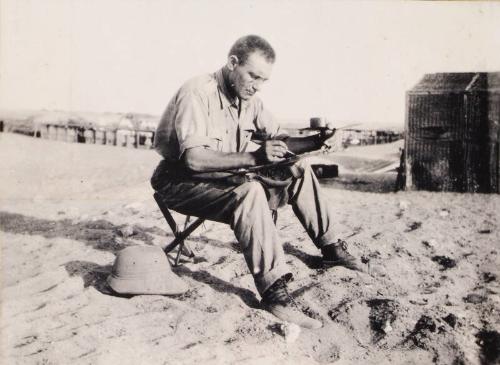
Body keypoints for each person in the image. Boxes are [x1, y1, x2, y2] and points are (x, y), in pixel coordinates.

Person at [151, 35, 364, 329]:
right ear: (232, 63)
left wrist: (317, 141)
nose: (257, 85)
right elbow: (194, 159)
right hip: (179, 182)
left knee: (298, 168)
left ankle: (332, 250)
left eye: (264, 79)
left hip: (225, 177)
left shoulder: (250, 100)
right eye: (253, 75)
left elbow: (282, 142)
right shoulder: (197, 93)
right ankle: (274, 291)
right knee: (250, 191)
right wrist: (253, 159)